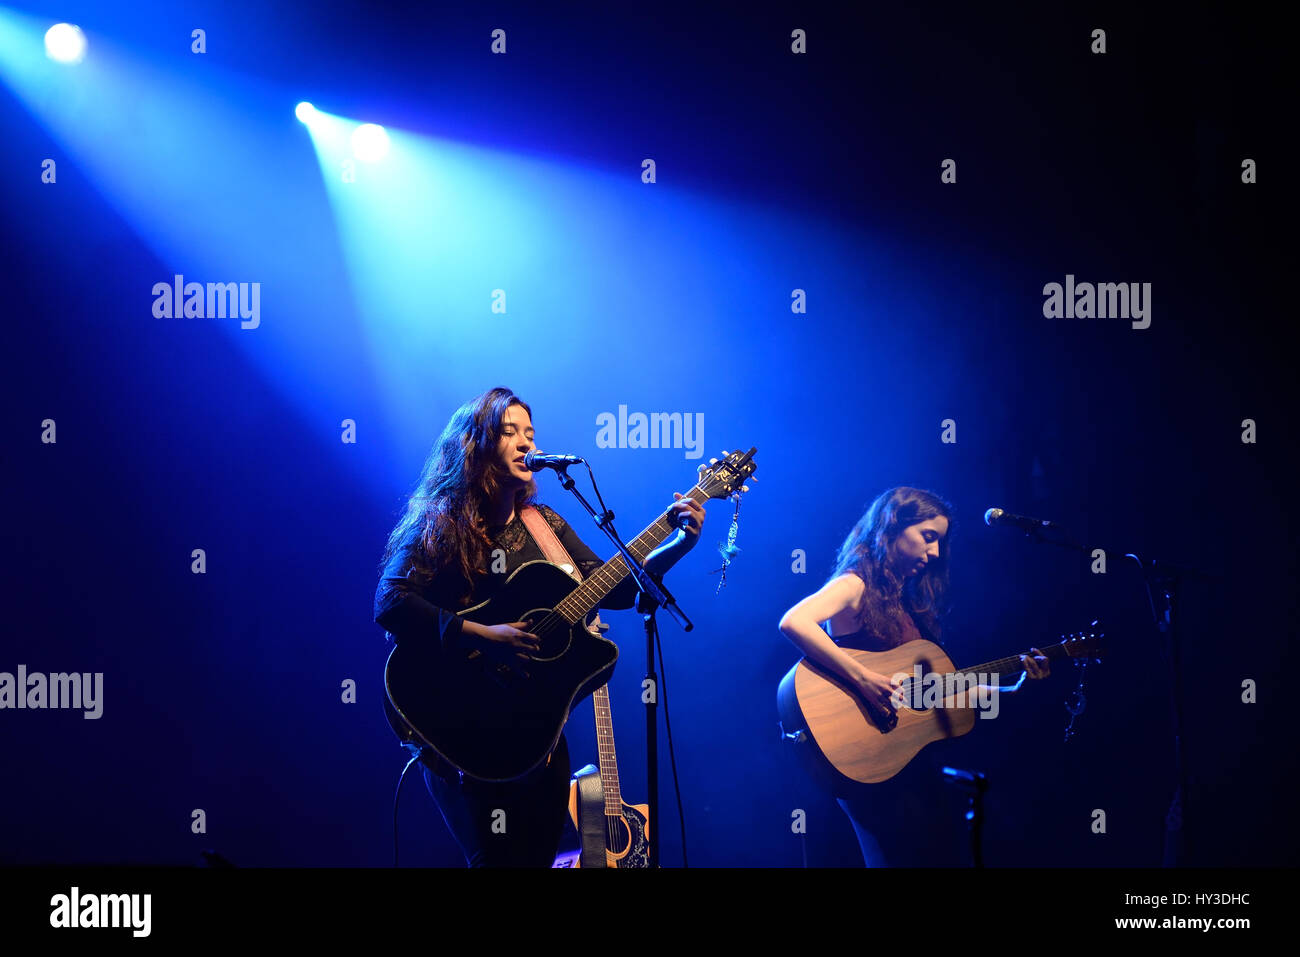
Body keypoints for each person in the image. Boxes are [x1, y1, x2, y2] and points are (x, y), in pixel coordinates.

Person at [373, 387, 705, 867]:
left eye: (530, 432)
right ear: (478, 444)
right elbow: (391, 601)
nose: (526, 442)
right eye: (510, 432)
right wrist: (485, 636)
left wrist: (676, 545)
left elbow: (613, 588)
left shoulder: (544, 524)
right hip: (462, 729)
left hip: (535, 738)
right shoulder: (441, 523)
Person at [778, 486, 1048, 866]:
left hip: (907, 761)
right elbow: (794, 621)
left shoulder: (903, 602)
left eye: (939, 542)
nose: (934, 552)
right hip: (868, 755)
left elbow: (939, 692)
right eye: (927, 537)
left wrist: (1013, 687)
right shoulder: (855, 584)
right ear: (893, 525)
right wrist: (864, 678)